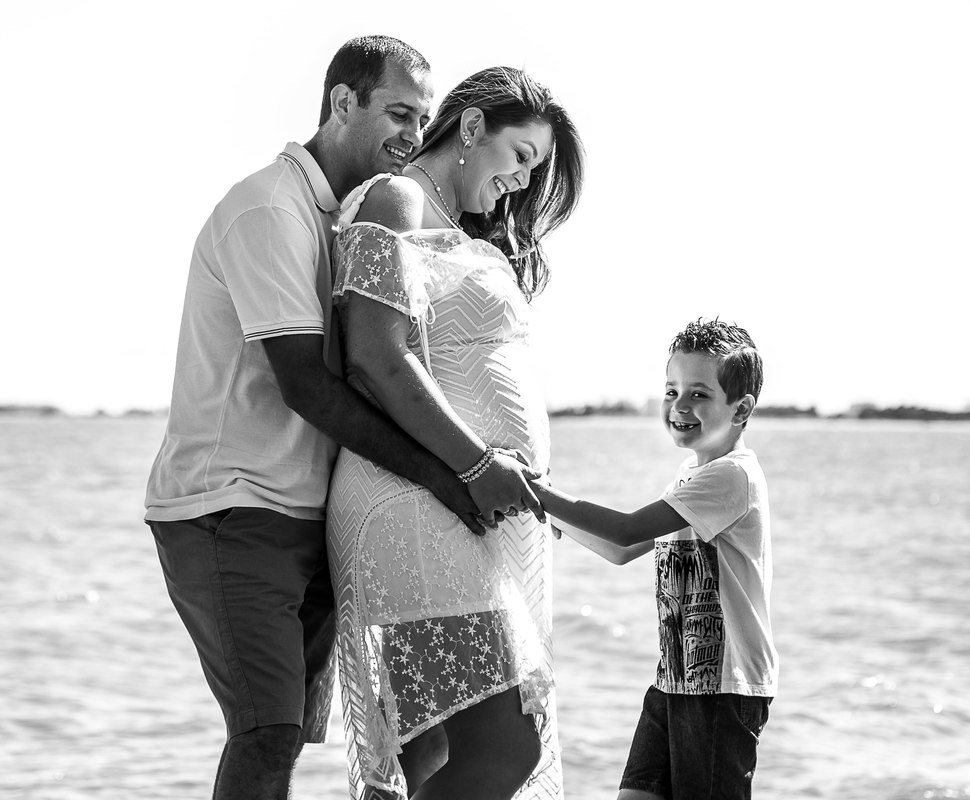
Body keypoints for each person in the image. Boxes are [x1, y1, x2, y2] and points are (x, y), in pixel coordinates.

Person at [145, 37, 538, 800]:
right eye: (398, 113)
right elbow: (311, 383)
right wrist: (453, 475)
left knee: (305, 736)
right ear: (342, 102)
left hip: (310, 510)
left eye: (421, 117)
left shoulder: (345, 213)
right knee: (266, 731)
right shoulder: (270, 208)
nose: (413, 133)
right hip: (231, 504)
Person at [326, 66, 585, 800]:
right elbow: (374, 353)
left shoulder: (454, 227)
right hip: (414, 501)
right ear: (472, 127)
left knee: (435, 760)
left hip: (454, 508)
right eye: (522, 156)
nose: (523, 181)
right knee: (506, 748)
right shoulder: (397, 198)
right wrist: (477, 466)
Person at [528, 319, 779, 800]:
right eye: (671, 391)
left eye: (699, 394)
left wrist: (536, 491)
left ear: (742, 408)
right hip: (675, 678)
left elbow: (625, 528)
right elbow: (623, 549)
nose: (680, 406)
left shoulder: (732, 477)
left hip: (725, 687)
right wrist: (546, 509)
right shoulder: (691, 475)